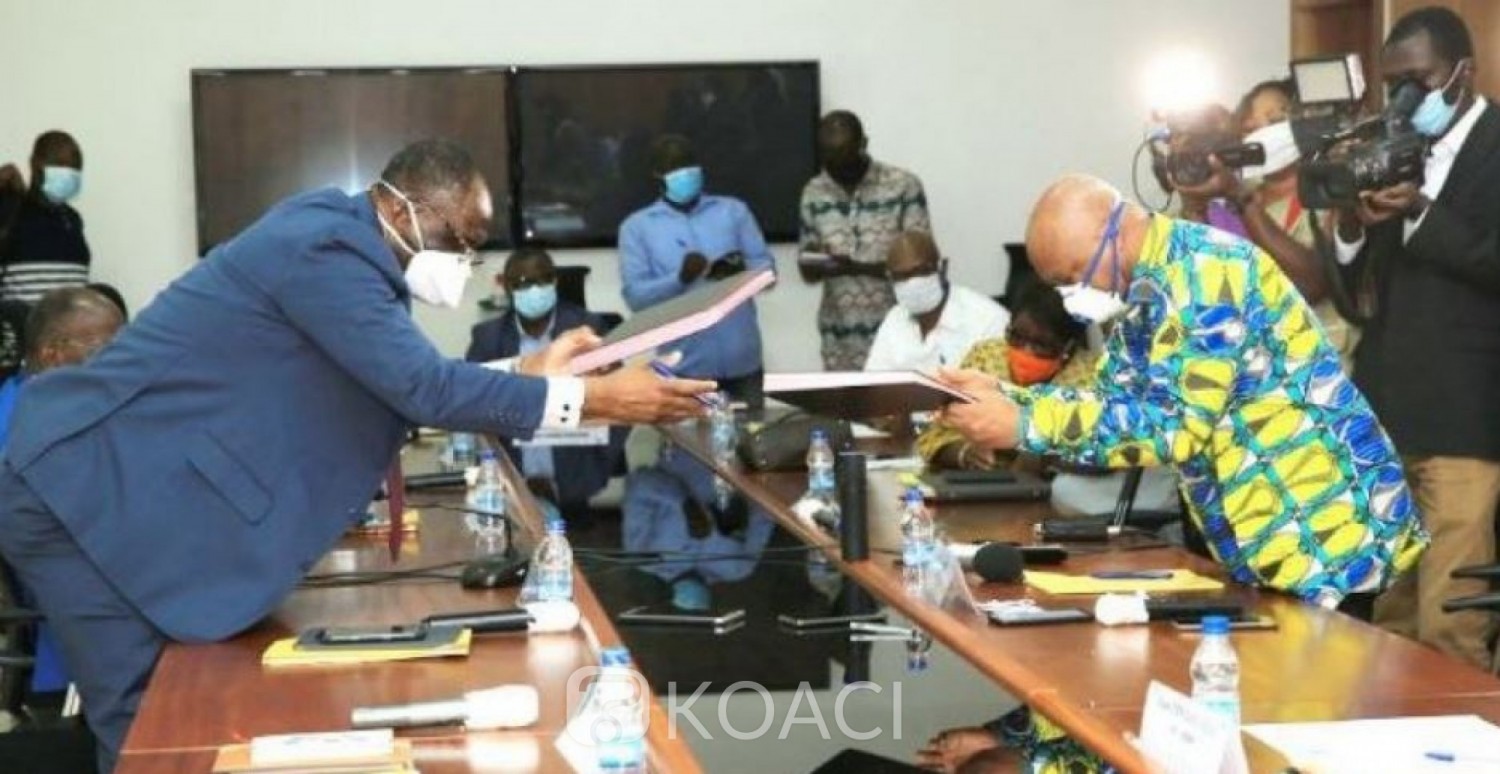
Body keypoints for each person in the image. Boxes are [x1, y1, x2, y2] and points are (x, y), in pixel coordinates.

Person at [0, 139, 714, 771]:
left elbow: (395, 385)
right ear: (403, 209)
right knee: (152, 724)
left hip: (126, 494)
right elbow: (423, 388)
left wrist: (537, 375)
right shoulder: (327, 248)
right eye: (460, 239)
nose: (465, 263)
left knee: (185, 710)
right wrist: (593, 400)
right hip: (78, 486)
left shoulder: (350, 256)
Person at [937, 174, 1427, 772]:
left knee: (1298, 736)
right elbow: (1113, 401)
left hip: (1320, 529)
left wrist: (1022, 425)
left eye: (1072, 276)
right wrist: (1006, 398)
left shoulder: (1206, 276)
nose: (1069, 297)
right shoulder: (1150, 291)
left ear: (1114, 231)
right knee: (1257, 725)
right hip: (1266, 537)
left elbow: (1174, 429)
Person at [1331, 7, 1500, 670]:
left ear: (1464, 73)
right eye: (1393, 83)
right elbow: (1354, 294)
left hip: (1467, 417)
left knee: (1451, 621)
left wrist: (1421, 212)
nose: (1405, 98)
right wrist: (1351, 223)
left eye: (1419, 81)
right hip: (1388, 406)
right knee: (1391, 623)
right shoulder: (1391, 146)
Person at [1173, 81, 1359, 367]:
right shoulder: (1226, 204)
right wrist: (1195, 206)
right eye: (1250, 128)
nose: (1264, 134)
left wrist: (1240, 197)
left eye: (1277, 121)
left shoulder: (1328, 191)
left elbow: (1313, 285)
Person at [0, 288, 123, 710]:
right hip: (67, 613)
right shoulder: (27, 425)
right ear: (53, 353)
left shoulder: (33, 401)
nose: (123, 357)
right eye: (108, 346)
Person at [466, 247, 627, 522]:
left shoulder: (587, 330)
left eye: (543, 280)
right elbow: (471, 404)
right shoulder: (488, 338)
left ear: (555, 282)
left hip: (578, 485)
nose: (534, 290)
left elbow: (620, 400)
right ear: (507, 287)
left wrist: (600, 464)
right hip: (511, 488)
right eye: (523, 282)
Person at [619, 135, 774, 407]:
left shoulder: (733, 212)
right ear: (658, 175)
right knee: (689, 436)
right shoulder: (637, 227)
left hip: (744, 365)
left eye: (688, 164)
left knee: (754, 433)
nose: (685, 173)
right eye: (674, 167)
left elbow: (768, 272)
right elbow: (636, 298)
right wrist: (679, 279)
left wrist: (741, 272)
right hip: (684, 370)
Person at [799, 110, 930, 370]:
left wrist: (853, 266)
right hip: (839, 340)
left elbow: (921, 264)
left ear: (863, 144)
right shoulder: (814, 192)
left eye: (844, 157)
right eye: (828, 156)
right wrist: (816, 262)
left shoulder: (903, 185)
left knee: (899, 398)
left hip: (898, 332)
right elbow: (808, 273)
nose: (835, 167)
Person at [862, 231, 1008, 372]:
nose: (912, 282)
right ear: (890, 279)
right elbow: (874, 380)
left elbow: (995, 385)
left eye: (922, 271)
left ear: (942, 268)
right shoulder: (895, 319)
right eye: (901, 276)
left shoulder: (988, 320)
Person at [0, 131, 91, 304]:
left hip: (70, 320)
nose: (69, 173)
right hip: (20, 321)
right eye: (60, 165)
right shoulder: (11, 209)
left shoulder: (72, 220)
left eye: (76, 167)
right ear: (36, 165)